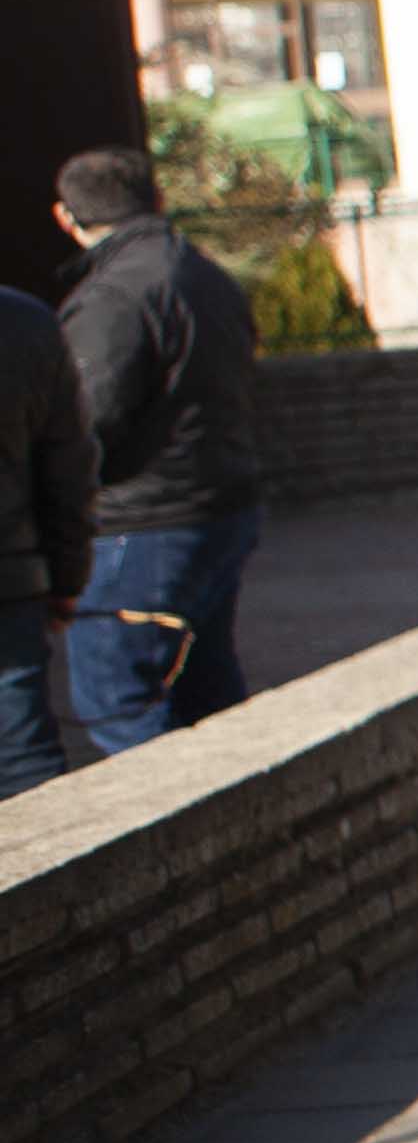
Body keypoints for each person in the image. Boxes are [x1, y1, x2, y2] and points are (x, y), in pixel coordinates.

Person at [50, 146, 263, 749]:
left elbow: (85, 423)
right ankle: (240, 798)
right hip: (216, 506)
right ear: (158, 200)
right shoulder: (205, 275)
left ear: (66, 216)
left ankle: (188, 809)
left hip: (143, 525)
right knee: (205, 692)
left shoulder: (114, 297)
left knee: (119, 701)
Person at [0, 271, 89, 795]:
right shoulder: (25, 321)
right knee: (24, 764)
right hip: (11, 583)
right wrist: (67, 577)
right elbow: (66, 472)